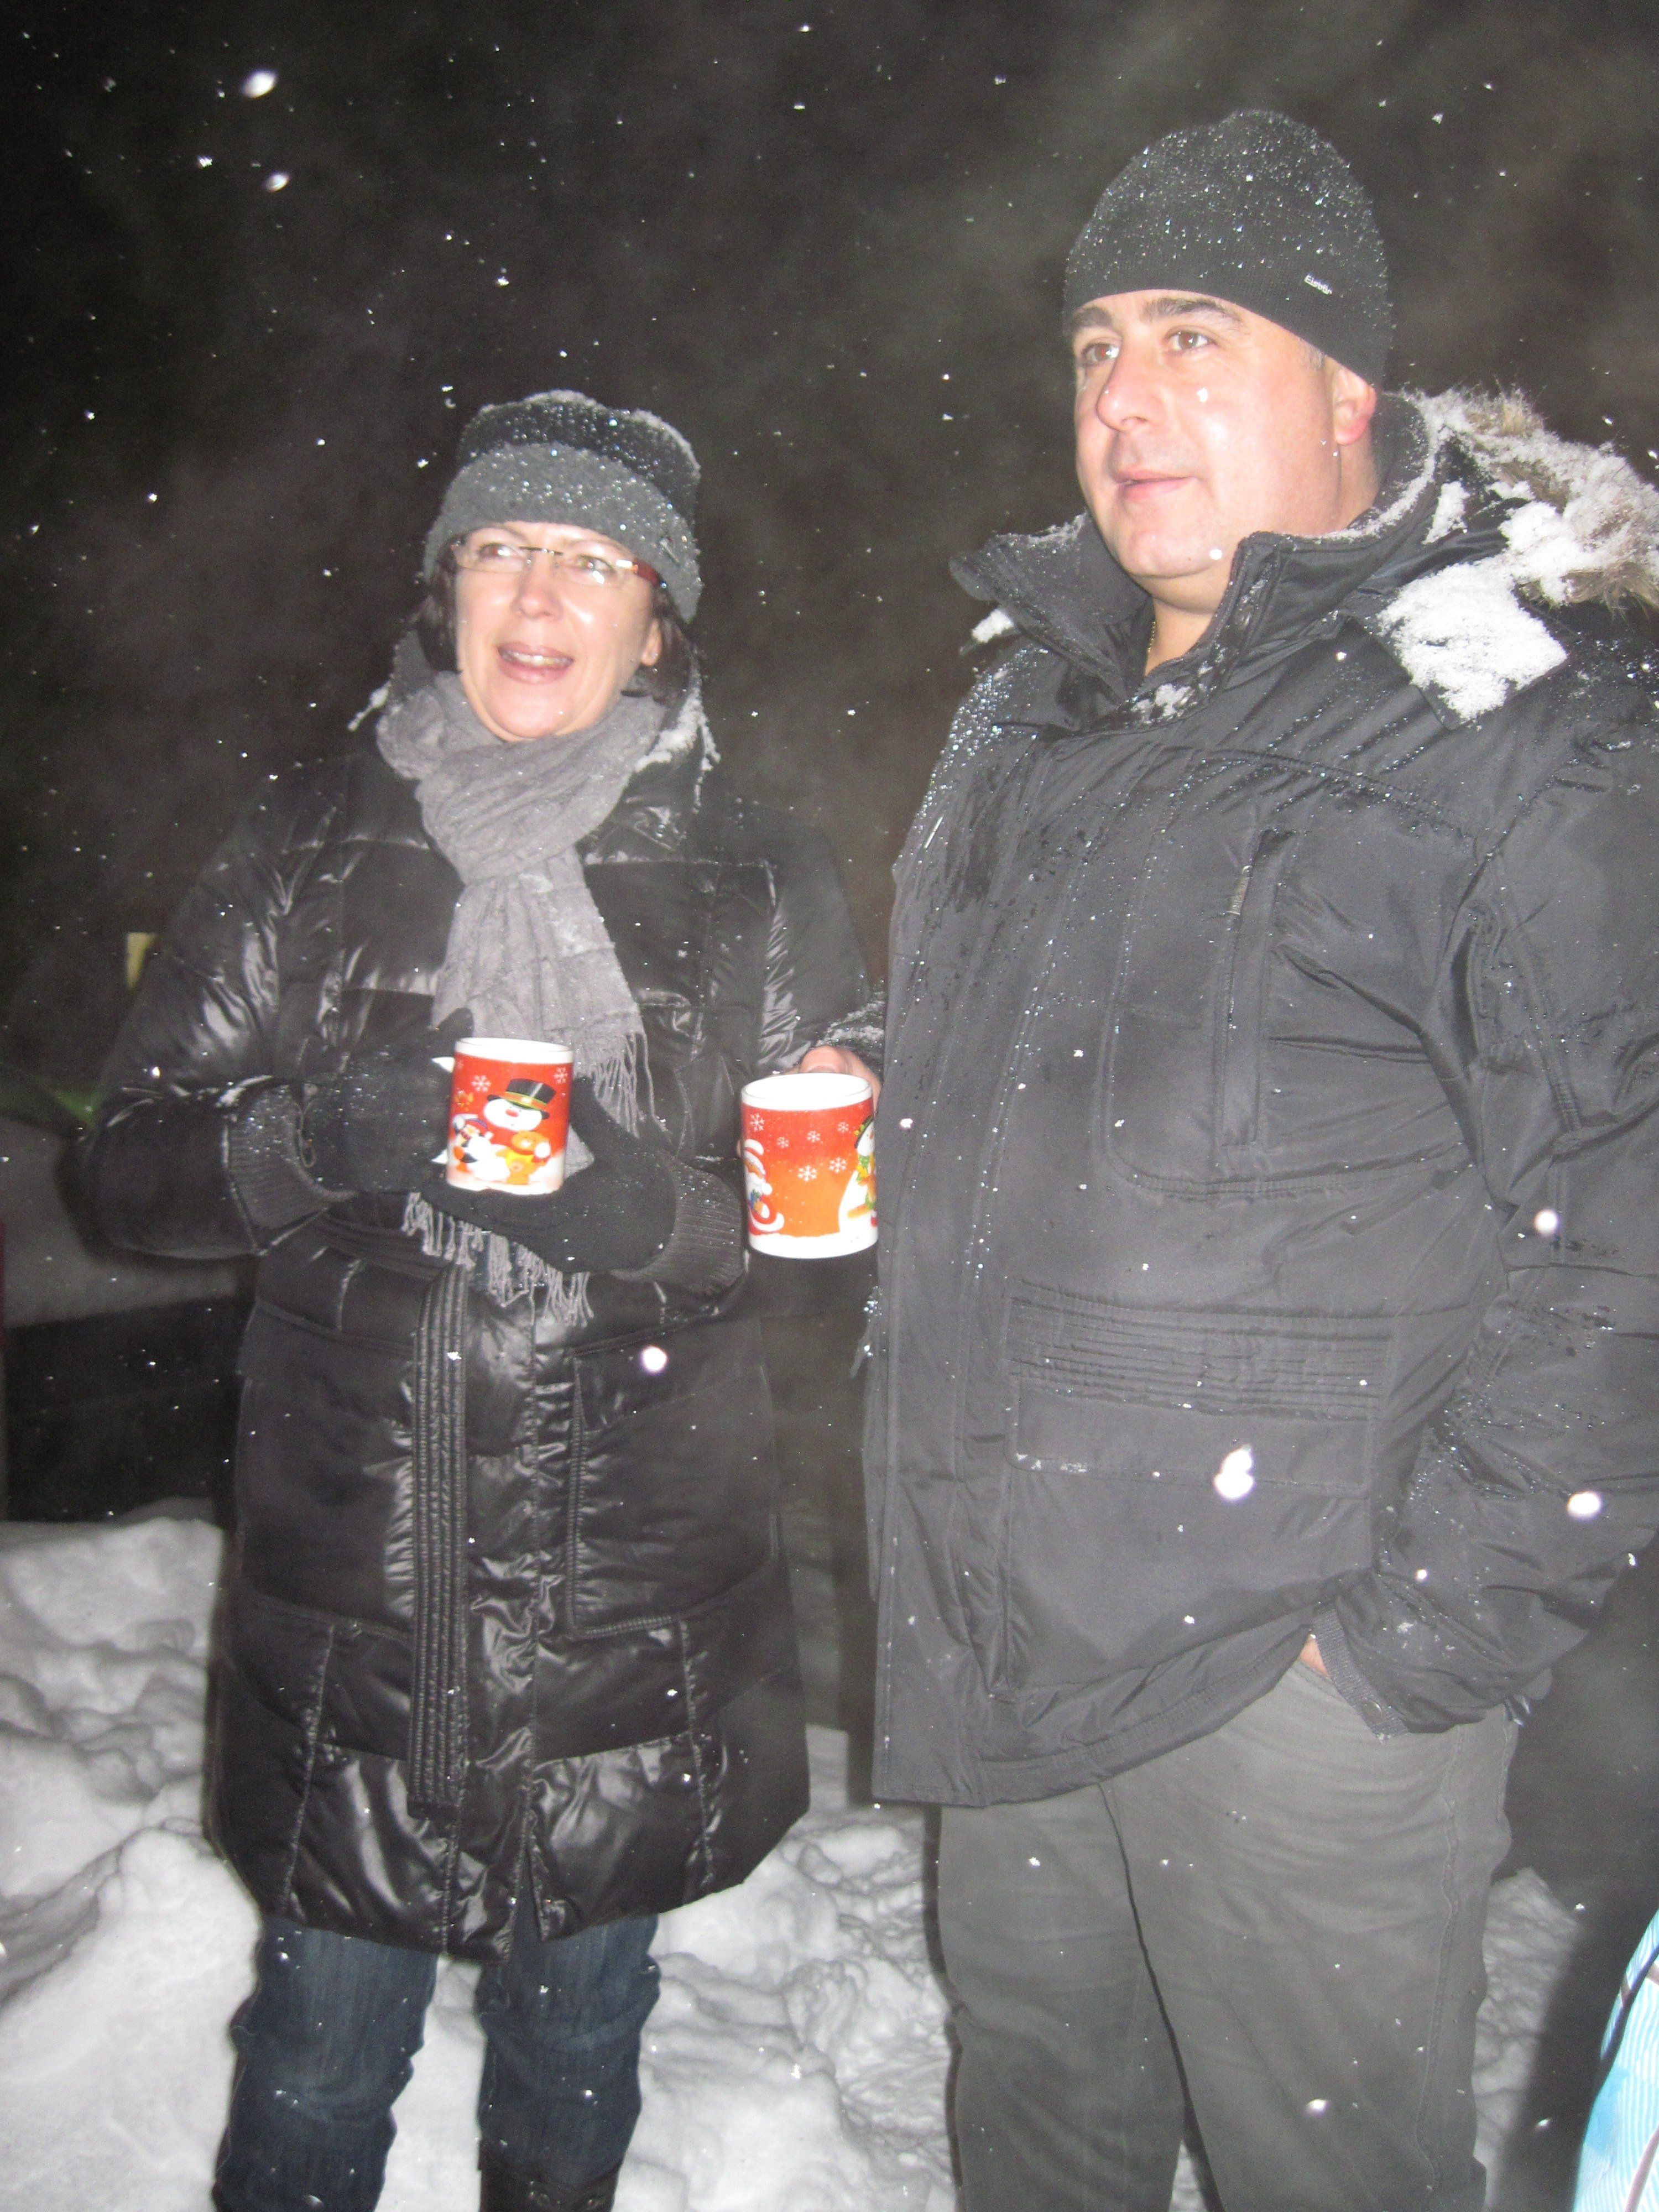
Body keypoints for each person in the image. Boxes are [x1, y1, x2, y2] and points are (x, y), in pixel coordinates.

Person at [842, 112, 1659, 2211]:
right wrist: (868, 1080)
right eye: (1098, 345)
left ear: (1348, 390)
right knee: (1042, 2134)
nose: (1127, 399)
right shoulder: (1032, 701)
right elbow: (1046, 1050)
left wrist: (1408, 1640)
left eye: (1197, 337)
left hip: (1290, 1673)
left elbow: (1630, 1225)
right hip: (1010, 1626)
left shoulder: (1516, 723)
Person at [86, 390, 870, 2212]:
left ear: (656, 622)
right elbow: (123, 1172)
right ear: (446, 588)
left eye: (594, 561)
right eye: (502, 547)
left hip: (629, 1605)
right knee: (313, 2065)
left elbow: (826, 1234)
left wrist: (651, 1211)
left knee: (577, 2059)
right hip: (362, 1595)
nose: (538, 594)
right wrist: (306, 1140)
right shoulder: (301, 842)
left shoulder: (762, 871)